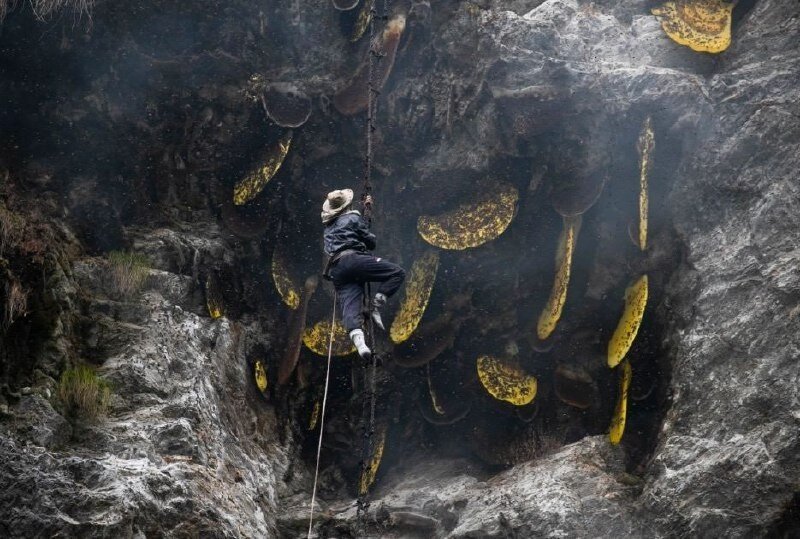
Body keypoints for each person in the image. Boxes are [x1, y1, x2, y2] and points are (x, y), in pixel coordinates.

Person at [322, 189, 406, 360]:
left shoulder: (328, 230)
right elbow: (371, 242)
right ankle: (376, 304)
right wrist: (364, 216)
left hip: (337, 270)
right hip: (354, 260)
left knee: (350, 306)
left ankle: (360, 343)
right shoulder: (353, 218)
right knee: (397, 273)